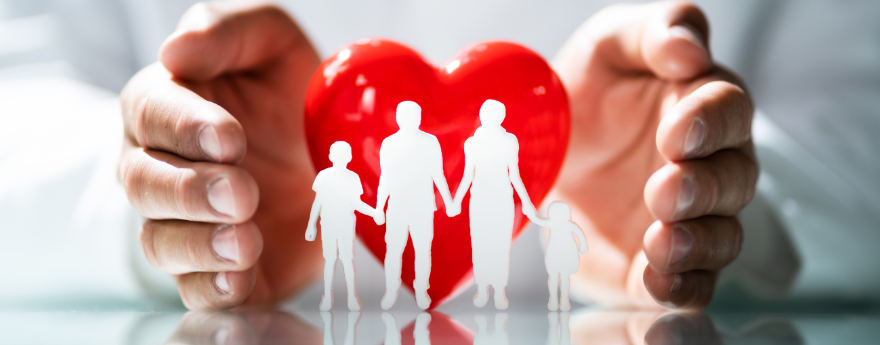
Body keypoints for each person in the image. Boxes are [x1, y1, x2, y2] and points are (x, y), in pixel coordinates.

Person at [8, 0, 878, 312]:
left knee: (471, 265)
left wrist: (712, 188)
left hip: (563, 233)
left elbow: (863, 114)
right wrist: (159, 188)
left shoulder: (488, 141)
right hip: (331, 225)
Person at [451, 99, 537, 310]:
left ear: (502, 117)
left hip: (502, 199)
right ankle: (482, 289)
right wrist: (456, 200)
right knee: (480, 245)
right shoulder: (472, 143)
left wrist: (526, 202)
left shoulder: (509, 141)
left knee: (500, 245)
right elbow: (467, 175)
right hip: (480, 198)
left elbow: (514, 174)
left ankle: (499, 291)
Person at [373, 101, 455, 310]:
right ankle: (391, 291)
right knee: (394, 249)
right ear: (398, 118)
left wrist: (449, 201)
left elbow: (438, 175)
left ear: (419, 118)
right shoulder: (389, 144)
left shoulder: (430, 142)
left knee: (422, 250)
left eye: (414, 115)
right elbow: (386, 179)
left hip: (422, 207)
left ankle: (421, 291)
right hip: (398, 207)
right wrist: (379, 207)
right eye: (406, 115)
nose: (410, 119)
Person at [305, 141, 380, 311]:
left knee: (347, 260)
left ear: (349, 157)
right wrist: (311, 225)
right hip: (329, 224)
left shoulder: (353, 178)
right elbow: (318, 202)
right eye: (338, 154)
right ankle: (327, 298)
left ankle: (352, 297)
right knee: (330, 261)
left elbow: (357, 204)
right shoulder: (324, 177)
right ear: (331, 156)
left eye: (344, 154)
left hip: (346, 225)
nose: (341, 158)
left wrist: (374, 212)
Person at [528, 201, 589, 312]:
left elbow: (580, 234)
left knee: (564, 277)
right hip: (554, 253)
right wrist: (530, 212)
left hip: (566, 253)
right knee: (554, 277)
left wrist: (583, 246)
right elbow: (537, 220)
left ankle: (564, 300)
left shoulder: (569, 225)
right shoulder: (552, 223)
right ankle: (553, 299)